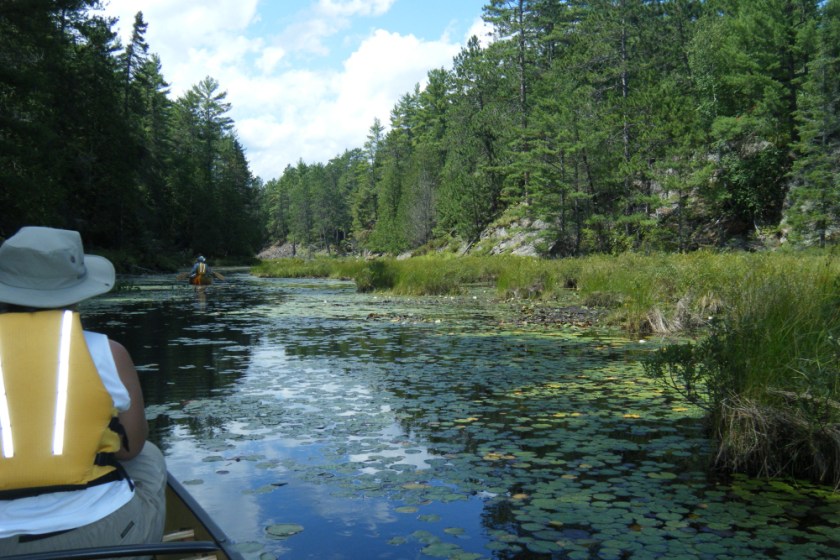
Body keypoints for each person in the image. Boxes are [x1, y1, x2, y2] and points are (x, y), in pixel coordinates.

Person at [0, 226, 166, 556]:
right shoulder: (108, 352)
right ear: (77, 292)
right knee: (149, 456)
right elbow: (130, 447)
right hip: (100, 535)